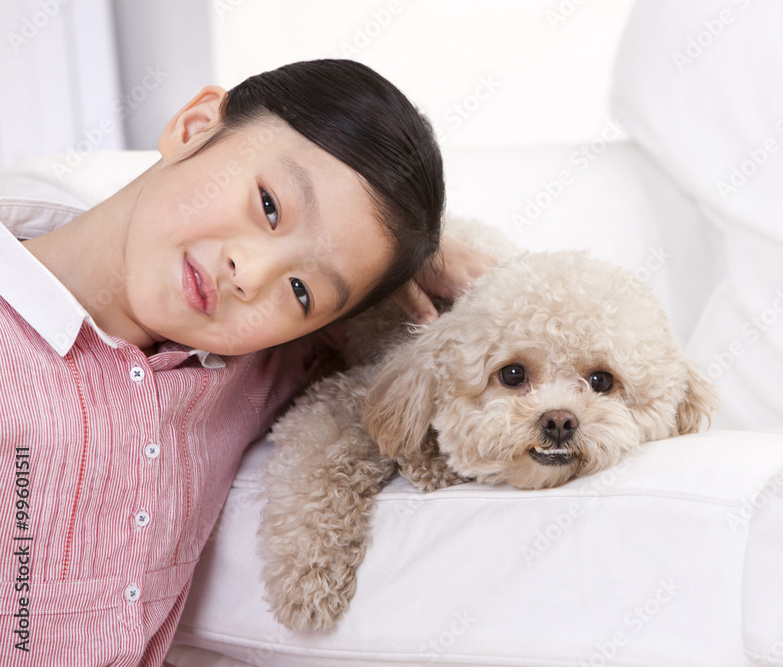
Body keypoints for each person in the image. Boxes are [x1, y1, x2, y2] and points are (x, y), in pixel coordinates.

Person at [0, 59, 493, 665]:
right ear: (195, 125)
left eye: (302, 291)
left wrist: (420, 258)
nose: (251, 274)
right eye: (268, 205)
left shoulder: (255, 364)